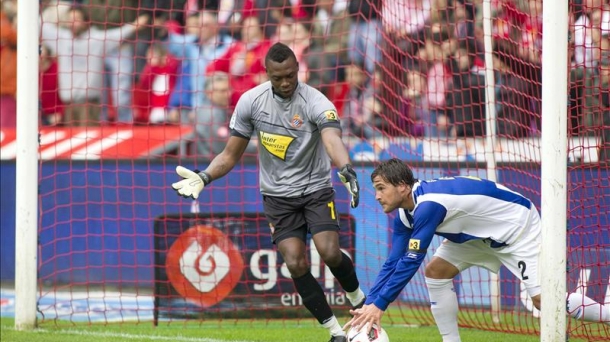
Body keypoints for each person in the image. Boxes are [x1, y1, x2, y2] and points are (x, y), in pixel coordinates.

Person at [171, 42, 366, 342]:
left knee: (329, 251)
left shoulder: (316, 101)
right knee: (294, 262)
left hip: (315, 189)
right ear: (267, 74)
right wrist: (205, 176)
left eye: (290, 75)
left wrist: (345, 167)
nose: (286, 82)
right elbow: (229, 155)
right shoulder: (250, 102)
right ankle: (335, 333)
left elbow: (331, 139)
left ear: (297, 70)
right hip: (277, 197)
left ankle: (361, 305)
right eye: (278, 78)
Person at [347, 158, 610, 341]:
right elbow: (392, 262)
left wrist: (380, 305)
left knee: (544, 300)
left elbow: (410, 261)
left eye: (381, 189)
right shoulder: (406, 213)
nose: (377, 196)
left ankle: (606, 314)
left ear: (402, 186)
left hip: (517, 229)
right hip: (479, 236)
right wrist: (368, 306)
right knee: (436, 271)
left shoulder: (428, 206)